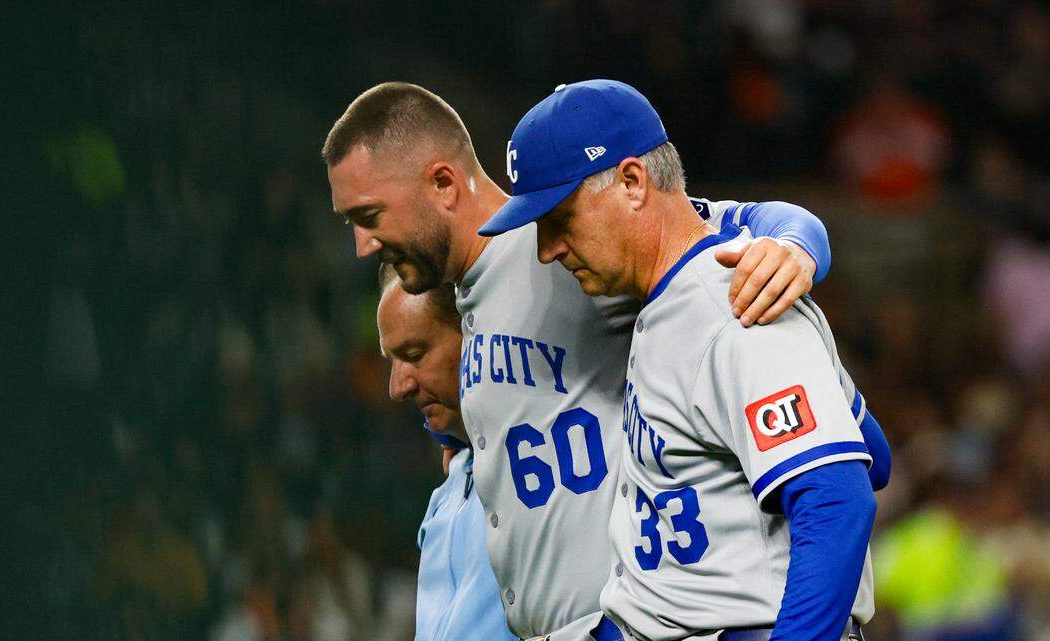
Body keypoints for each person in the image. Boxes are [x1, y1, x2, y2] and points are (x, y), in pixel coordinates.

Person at [323, 81, 885, 641]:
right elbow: (866, 451)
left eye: (369, 214)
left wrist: (798, 241)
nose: (362, 244)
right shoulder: (635, 312)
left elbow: (838, 494)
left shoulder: (713, 291)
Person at [376, 264, 517, 641]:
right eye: (392, 360)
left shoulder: (537, 461)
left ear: (473, 334)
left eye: (415, 353)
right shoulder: (446, 494)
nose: (397, 387)